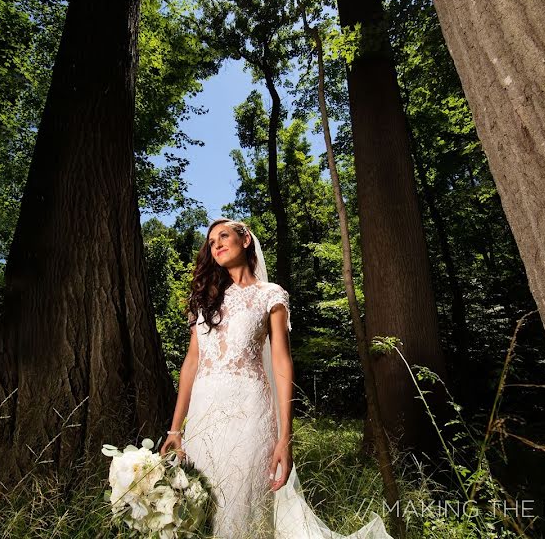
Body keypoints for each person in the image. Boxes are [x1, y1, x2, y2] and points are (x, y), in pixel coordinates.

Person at [160, 218, 392, 538]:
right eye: (211, 242)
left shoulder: (270, 295)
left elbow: (282, 362)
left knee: (243, 503)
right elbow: (191, 361)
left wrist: (285, 437)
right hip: (204, 412)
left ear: (245, 241)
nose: (216, 245)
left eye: (223, 236)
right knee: (204, 504)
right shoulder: (205, 299)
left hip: (251, 411)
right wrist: (176, 428)